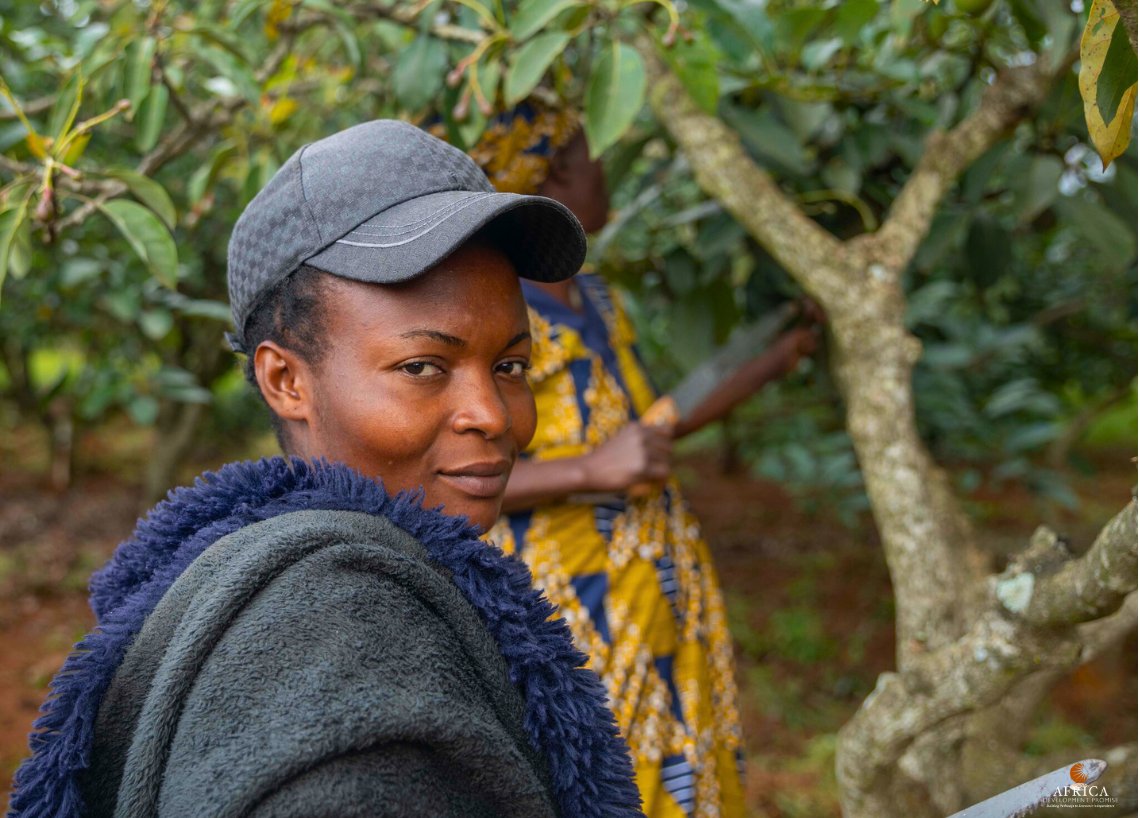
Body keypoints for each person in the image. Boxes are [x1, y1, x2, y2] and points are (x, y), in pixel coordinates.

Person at [9, 121, 644, 818]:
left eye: (510, 366)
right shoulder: (344, 636)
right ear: (286, 379)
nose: (492, 414)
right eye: (422, 367)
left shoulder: (298, 572)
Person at [465, 103, 819, 818]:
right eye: (595, 157)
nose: (606, 171)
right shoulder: (498, 315)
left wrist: (774, 360)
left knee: (687, 766)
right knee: (612, 779)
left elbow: (653, 424)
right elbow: (457, 473)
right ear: (557, 174)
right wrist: (591, 471)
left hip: (659, 587)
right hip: (577, 605)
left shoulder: (597, 297)